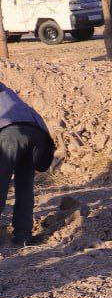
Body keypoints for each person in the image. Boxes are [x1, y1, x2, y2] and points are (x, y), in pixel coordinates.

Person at [0, 81, 56, 247]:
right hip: (37, 133)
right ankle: (22, 236)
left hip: (11, 133)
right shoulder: (7, 92)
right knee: (25, 185)